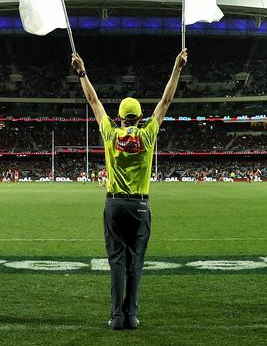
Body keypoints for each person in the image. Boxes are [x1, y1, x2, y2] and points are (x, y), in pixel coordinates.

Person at [72, 47, 187, 331]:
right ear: (140, 116)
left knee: (116, 263)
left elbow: (93, 99)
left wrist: (82, 72)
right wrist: (177, 68)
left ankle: (116, 317)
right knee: (136, 263)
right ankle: (132, 316)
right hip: (140, 206)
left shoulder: (111, 134)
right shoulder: (148, 135)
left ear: (121, 117)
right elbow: (166, 100)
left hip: (114, 204)